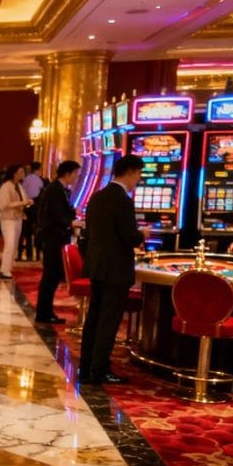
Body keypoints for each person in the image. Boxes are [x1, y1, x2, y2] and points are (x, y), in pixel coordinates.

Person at [79, 155, 146, 385]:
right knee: (108, 320)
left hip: (97, 265)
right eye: (138, 174)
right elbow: (129, 237)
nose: (138, 179)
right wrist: (142, 235)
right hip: (116, 268)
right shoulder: (123, 200)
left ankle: (86, 366)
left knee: (95, 318)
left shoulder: (97, 197)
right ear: (129, 172)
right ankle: (99, 370)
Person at [34, 160, 81, 323]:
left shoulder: (59, 189)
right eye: (75, 173)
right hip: (52, 238)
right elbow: (56, 214)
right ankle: (43, 313)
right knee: (50, 276)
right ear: (67, 174)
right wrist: (71, 222)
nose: (77, 177)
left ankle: (46, 311)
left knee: (52, 276)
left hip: (55, 237)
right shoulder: (55, 190)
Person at [0, 163, 33, 279]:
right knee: (10, 244)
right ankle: (4, 269)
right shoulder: (6, 186)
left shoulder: (18, 186)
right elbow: (3, 204)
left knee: (15, 244)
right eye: (20, 172)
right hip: (8, 219)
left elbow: (23, 198)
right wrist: (22, 203)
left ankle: (9, 267)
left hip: (18, 218)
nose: (23, 174)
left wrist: (27, 202)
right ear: (14, 173)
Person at [20, 162, 47, 262]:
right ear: (39, 169)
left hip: (27, 206)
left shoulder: (26, 179)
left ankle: (29, 255)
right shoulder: (40, 180)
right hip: (36, 207)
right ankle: (38, 255)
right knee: (37, 232)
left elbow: (23, 192)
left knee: (27, 233)